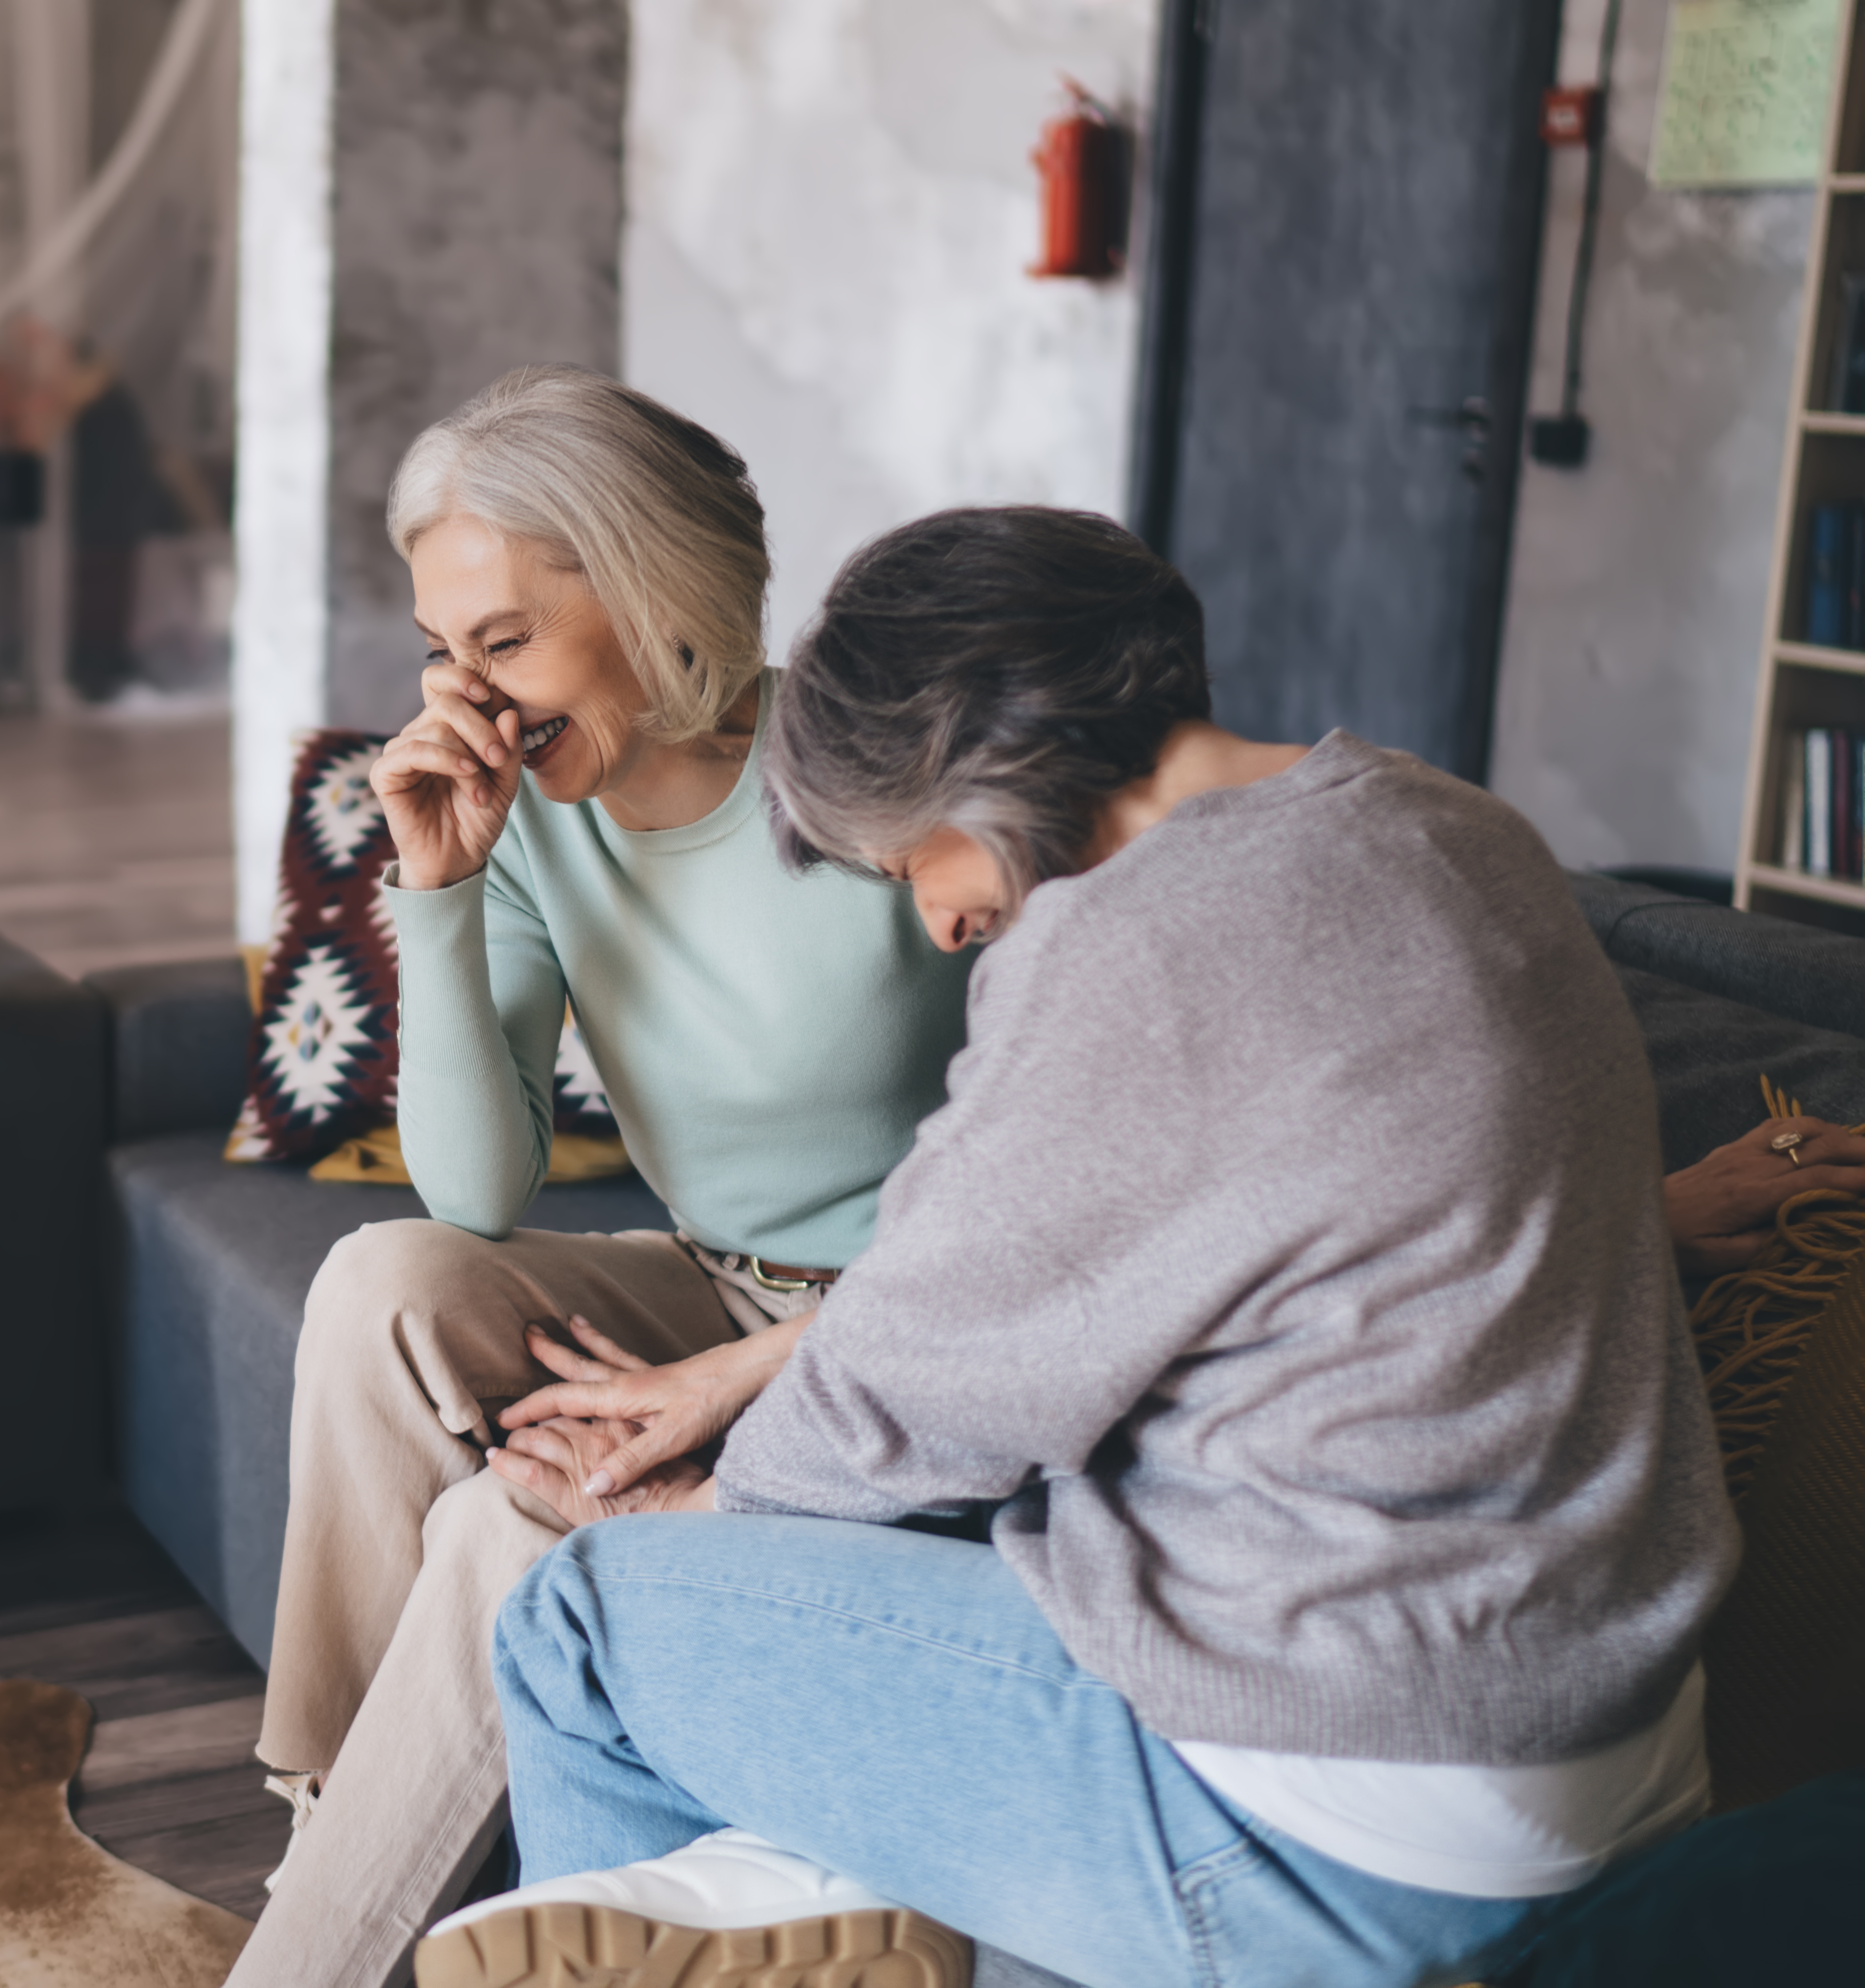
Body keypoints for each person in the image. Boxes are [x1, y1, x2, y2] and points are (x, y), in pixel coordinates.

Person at [425, 507, 1743, 1988]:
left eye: (901, 853)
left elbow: (900, 1406)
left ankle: (758, 1894)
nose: (934, 921)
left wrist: (684, 1518)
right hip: (1612, 1741)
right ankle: (780, 1893)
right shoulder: (1453, 828)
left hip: (1338, 1808)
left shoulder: (1131, 942)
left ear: (956, 764)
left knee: (581, 1622)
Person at [229, 367, 975, 1988]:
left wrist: (743, 1377)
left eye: (501, 643)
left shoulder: (866, 771)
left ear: (653, 591)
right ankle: (330, 1814)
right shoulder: (526, 825)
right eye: (438, 648)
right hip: (711, 1279)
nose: (463, 695)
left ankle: (320, 1937)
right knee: (383, 1283)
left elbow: (1042, 1178)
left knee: (509, 1521)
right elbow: (477, 1191)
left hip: (897, 1334)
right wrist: (436, 891)